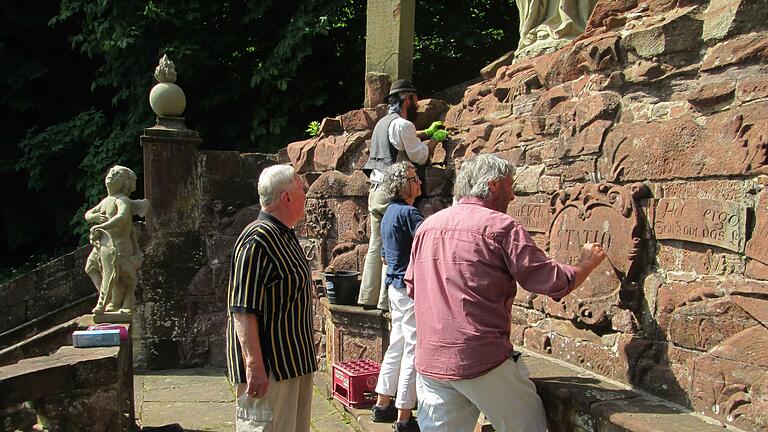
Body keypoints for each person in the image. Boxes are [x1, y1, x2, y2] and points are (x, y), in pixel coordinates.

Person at [405, 154, 606, 432]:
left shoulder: (427, 227)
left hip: (432, 358)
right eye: (510, 186)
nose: (513, 196)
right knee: (527, 425)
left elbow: (413, 287)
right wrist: (585, 265)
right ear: (494, 185)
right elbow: (550, 280)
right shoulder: (500, 227)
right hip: (480, 359)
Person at [225, 164, 316, 432]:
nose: (306, 197)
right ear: (286, 198)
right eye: (302, 191)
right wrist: (254, 366)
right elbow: (242, 309)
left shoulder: (284, 235)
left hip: (294, 364)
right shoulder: (258, 239)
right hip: (271, 369)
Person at [359, 79, 449, 310]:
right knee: (392, 248)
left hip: (375, 190)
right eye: (415, 98)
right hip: (392, 194)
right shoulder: (402, 124)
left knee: (375, 244)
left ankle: (368, 298)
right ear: (407, 98)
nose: (418, 103)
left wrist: (423, 132)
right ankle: (385, 302)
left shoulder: (382, 123)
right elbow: (419, 156)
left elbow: (400, 136)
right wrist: (433, 140)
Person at [370, 162, 425, 432]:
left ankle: (382, 405)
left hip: (394, 287)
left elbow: (382, 255)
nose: (420, 184)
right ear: (402, 184)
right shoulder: (410, 213)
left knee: (397, 345)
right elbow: (431, 245)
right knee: (412, 348)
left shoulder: (388, 212)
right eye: (415, 179)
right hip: (410, 288)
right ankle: (404, 416)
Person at [84, 165, 148, 314]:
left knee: (117, 274)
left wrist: (102, 227)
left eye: (117, 174)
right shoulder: (107, 200)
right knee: (91, 267)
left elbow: (122, 217)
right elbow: (88, 214)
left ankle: (105, 303)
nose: (111, 174)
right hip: (104, 245)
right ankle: (111, 297)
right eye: (111, 172)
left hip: (119, 246)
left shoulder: (122, 200)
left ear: (126, 183)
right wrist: (94, 217)